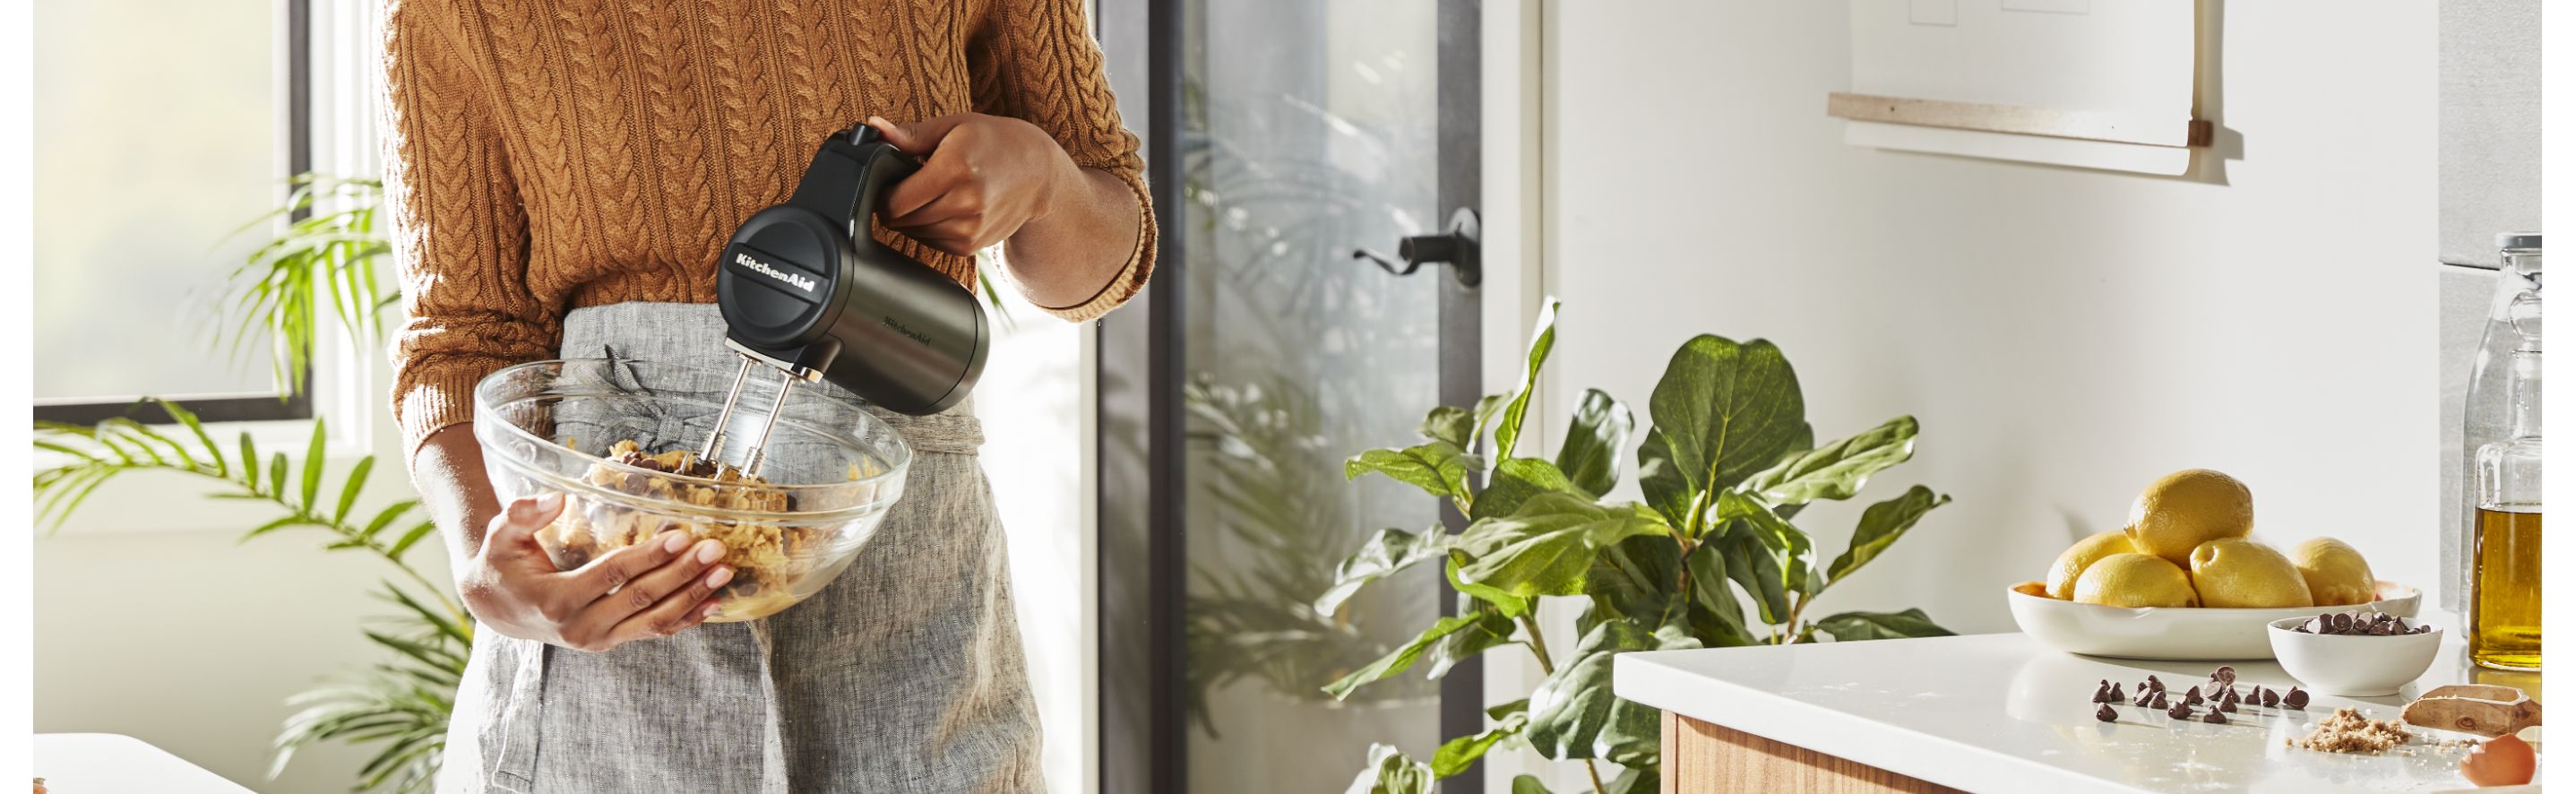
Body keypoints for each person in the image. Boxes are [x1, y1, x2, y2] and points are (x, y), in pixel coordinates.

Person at [382, 0, 1154, 790]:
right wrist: (484, 558)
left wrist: (1045, 181)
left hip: (906, 603)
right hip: (610, 621)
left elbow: (1099, 271)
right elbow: (464, 335)